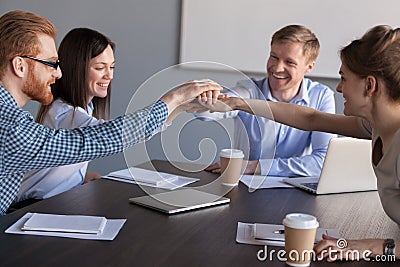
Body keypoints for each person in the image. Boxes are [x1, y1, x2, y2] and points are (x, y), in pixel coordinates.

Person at [200, 25, 400, 260]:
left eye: (344, 78)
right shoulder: (374, 126)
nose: (338, 87)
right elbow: (309, 117)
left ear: (370, 85)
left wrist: (375, 246)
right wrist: (238, 103)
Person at [0, 10, 222, 215]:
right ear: (19, 66)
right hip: (29, 210)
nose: (58, 73)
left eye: (112, 67)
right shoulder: (15, 125)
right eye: (50, 64)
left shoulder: (16, 118)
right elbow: (104, 138)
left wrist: (181, 106)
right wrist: (175, 99)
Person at [195, 25, 336, 177]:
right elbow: (206, 113)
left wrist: (253, 167)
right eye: (274, 57)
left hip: (295, 190)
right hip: (247, 188)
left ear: (309, 67)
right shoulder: (249, 90)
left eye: (289, 62)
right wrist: (205, 99)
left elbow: (323, 161)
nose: (277, 68)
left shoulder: (321, 96)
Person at [15, 28, 118, 203]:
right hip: (31, 206)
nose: (109, 75)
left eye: (112, 67)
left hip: (53, 200)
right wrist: (173, 104)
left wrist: (78, 176)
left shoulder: (83, 109)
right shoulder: (64, 112)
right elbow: (111, 134)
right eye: (100, 68)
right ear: (76, 69)